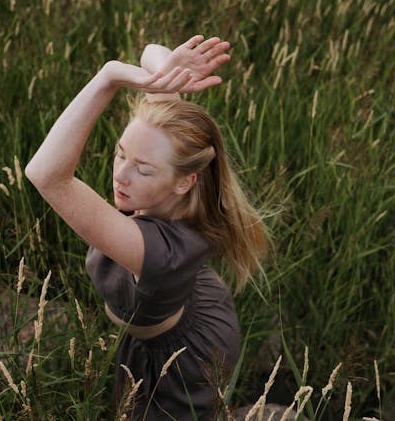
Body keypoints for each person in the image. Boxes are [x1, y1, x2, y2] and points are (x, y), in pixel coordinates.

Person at [25, 35, 268, 419]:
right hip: (187, 303)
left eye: (143, 168)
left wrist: (109, 77)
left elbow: (45, 174)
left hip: (181, 354)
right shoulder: (167, 153)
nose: (121, 175)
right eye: (121, 153)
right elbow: (152, 51)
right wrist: (168, 73)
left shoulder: (157, 251)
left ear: (183, 182)